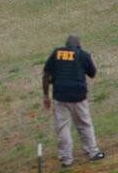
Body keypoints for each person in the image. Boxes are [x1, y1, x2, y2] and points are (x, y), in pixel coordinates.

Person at [43, 35, 105, 167]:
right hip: (78, 96)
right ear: (78, 45)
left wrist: (45, 96)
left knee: (62, 127)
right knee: (84, 124)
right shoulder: (82, 55)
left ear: (66, 44)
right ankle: (92, 152)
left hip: (59, 96)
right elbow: (92, 73)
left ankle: (66, 160)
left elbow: (46, 74)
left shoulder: (56, 53)